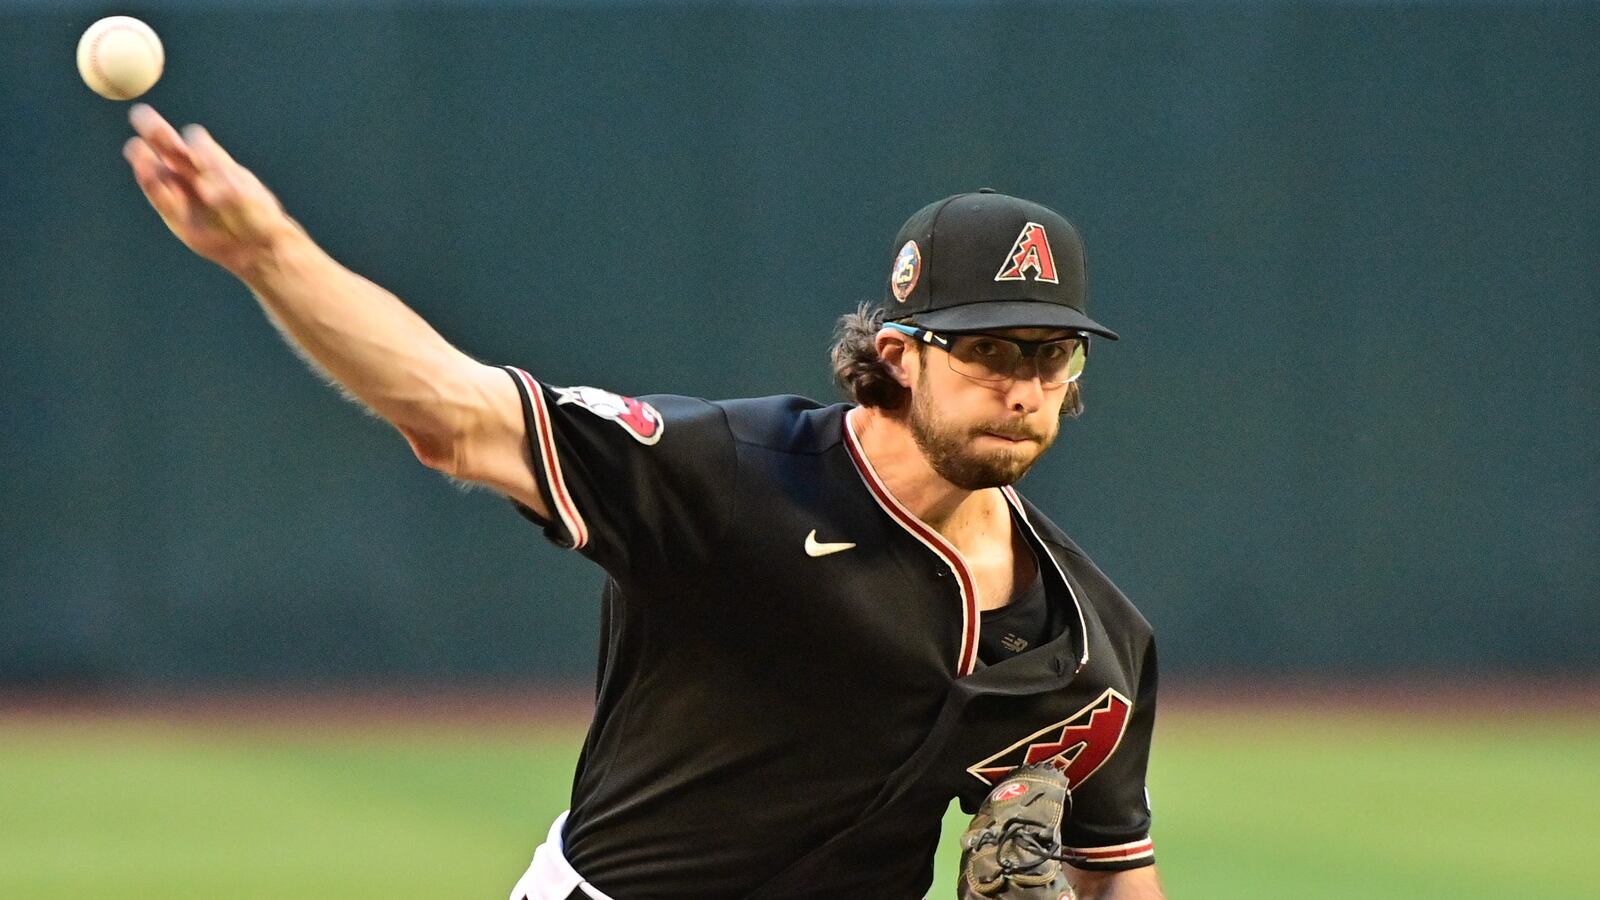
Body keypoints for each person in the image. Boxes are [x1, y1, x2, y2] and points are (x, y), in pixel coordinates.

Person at [121, 103, 1164, 900]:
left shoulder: (1090, 637)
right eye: (986, 351)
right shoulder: (732, 473)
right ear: (896, 356)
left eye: (1050, 353)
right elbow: (456, 412)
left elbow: (1115, 869)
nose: (1023, 386)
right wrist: (267, 252)